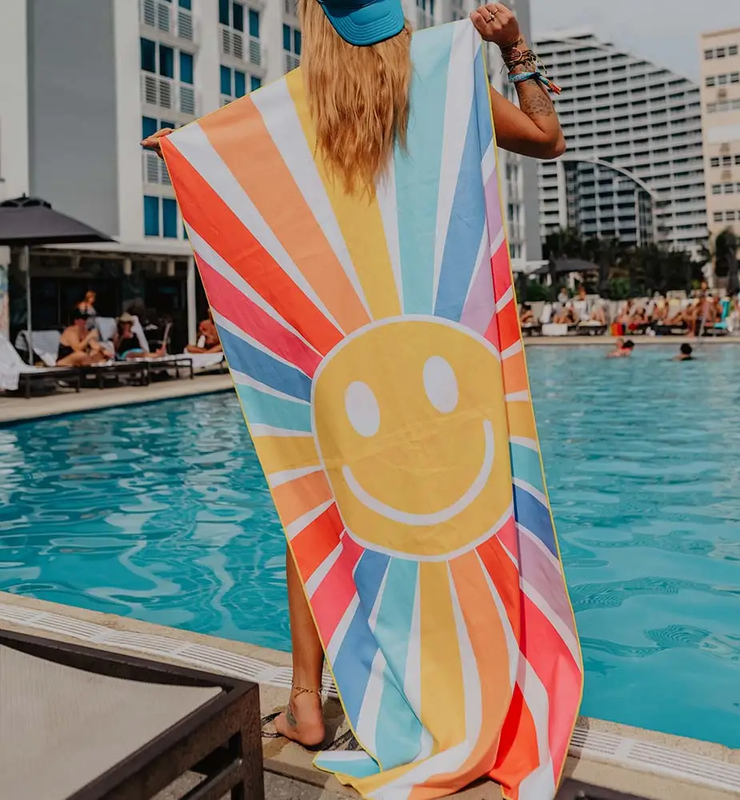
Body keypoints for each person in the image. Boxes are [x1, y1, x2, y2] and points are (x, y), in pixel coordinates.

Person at [143, 0, 566, 750]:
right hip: (438, 348)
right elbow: (545, 138)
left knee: (317, 511)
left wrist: (181, 149)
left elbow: (224, 165)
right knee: (456, 508)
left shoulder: (296, 106)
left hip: (342, 363)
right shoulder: (441, 75)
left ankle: (307, 698)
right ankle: (470, 681)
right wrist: (515, 49)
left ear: (316, 28)